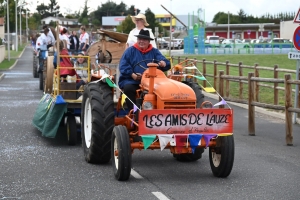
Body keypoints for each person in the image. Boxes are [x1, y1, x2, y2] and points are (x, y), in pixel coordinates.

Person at [119, 29, 170, 111]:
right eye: (140, 39)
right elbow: (123, 65)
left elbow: (165, 62)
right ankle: (134, 113)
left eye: (144, 39)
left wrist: (163, 63)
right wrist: (132, 75)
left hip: (151, 82)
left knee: (164, 90)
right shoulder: (130, 51)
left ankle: (161, 111)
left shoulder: (154, 52)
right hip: (133, 81)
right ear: (137, 40)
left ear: (149, 41)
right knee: (128, 89)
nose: (141, 41)